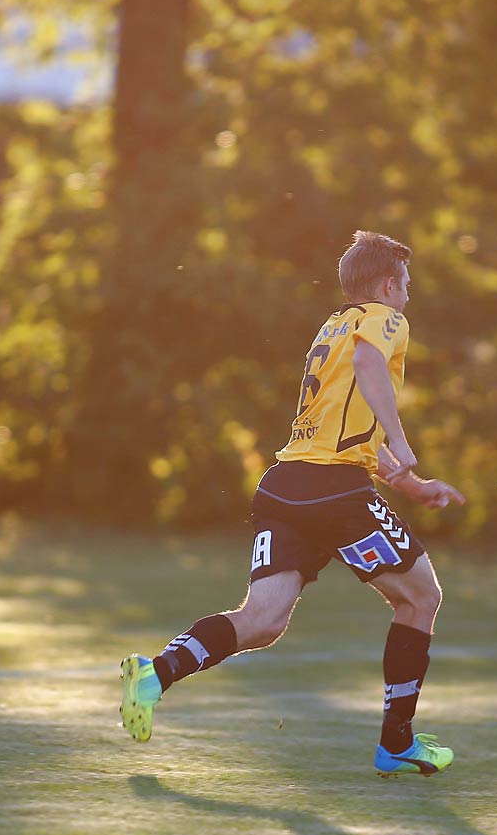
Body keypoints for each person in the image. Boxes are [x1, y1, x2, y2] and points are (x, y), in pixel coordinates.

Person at [118, 230, 468, 775]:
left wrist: (410, 484)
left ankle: (154, 674)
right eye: (404, 285)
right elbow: (371, 370)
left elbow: (347, 432)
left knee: (262, 620)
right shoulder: (384, 320)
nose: (407, 296)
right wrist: (403, 443)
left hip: (285, 486)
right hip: (335, 493)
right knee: (421, 597)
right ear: (383, 285)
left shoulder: (330, 326)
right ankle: (396, 743)